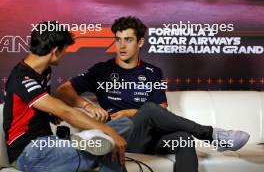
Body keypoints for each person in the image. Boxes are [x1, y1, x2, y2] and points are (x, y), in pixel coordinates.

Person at [56, 16, 250, 172]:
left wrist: (131, 112)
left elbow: (162, 109)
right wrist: (88, 106)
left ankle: (213, 136)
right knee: (149, 108)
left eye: (128, 40)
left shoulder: (152, 72)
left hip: (148, 139)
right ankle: (212, 135)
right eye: (118, 39)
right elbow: (63, 90)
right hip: (121, 136)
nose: (121, 46)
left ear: (140, 42)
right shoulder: (101, 70)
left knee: (183, 138)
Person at [3, 21, 134, 172]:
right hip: (30, 152)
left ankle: (95, 141)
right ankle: (97, 141)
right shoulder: (21, 78)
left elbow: (35, 109)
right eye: (65, 50)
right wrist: (109, 132)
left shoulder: (45, 71)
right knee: (110, 143)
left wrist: (49, 114)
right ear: (56, 50)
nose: (64, 55)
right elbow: (66, 112)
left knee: (125, 124)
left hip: (52, 143)